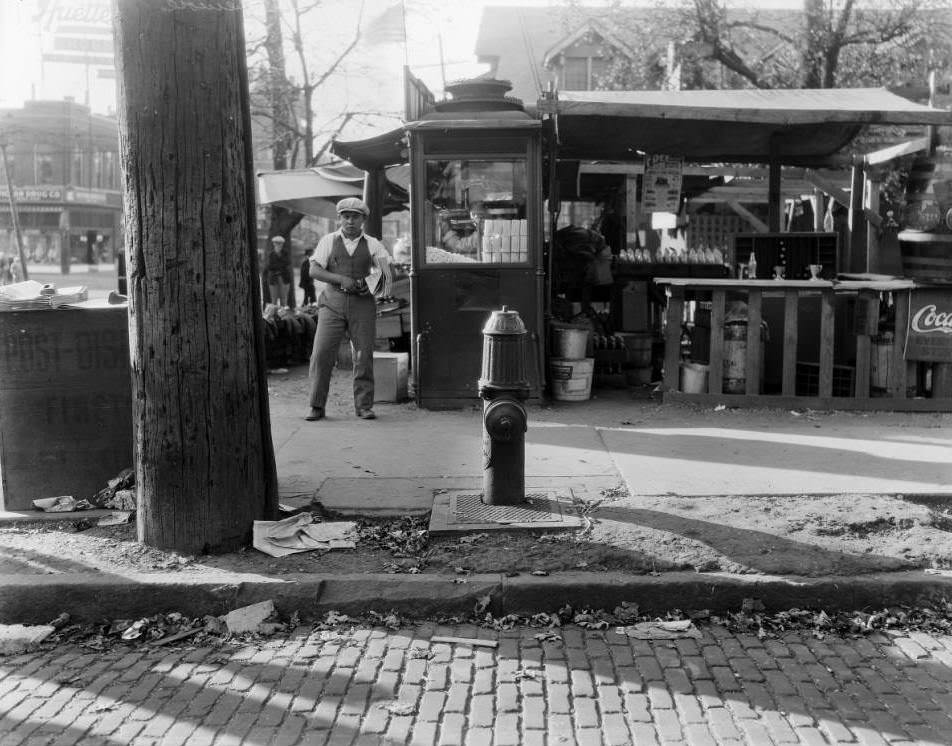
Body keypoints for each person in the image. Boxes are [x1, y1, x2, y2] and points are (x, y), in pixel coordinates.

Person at [305, 197, 392, 421]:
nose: (350, 221)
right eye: (346, 216)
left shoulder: (373, 243)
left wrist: (369, 284)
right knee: (321, 353)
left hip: (362, 306)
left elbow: (387, 273)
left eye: (355, 217)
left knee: (363, 355)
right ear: (340, 218)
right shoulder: (328, 240)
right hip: (332, 303)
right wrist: (340, 279)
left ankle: (364, 406)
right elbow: (314, 271)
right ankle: (316, 405)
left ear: (363, 219)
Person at [265, 235, 292, 307]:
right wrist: (280, 266)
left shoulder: (286, 253)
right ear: (273, 244)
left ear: (282, 244)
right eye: (276, 243)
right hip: (273, 278)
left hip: (284, 278)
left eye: (280, 243)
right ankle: (274, 316)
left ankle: (283, 317)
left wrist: (277, 266)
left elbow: (287, 263)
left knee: (284, 299)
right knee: (274, 300)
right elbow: (269, 266)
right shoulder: (271, 254)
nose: (278, 245)